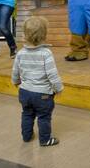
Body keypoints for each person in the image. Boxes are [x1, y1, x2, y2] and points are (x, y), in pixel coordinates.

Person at [12, 16, 63, 147]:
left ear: (24, 35)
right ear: (44, 35)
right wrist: (58, 88)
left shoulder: (20, 53)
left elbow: (15, 71)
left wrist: (15, 81)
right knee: (44, 117)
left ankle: (27, 136)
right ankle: (45, 140)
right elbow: (52, 74)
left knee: (27, 114)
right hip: (43, 95)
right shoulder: (46, 53)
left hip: (24, 92)